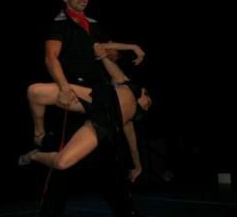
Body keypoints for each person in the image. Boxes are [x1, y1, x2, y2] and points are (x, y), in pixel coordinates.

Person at [28, 0, 151, 217]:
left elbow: (110, 53)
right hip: (73, 97)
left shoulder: (94, 26)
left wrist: (117, 53)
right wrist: (63, 87)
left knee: (110, 161)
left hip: (101, 97)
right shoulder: (59, 25)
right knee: (64, 161)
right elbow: (51, 57)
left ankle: (126, 211)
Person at [20, 47, 153, 187]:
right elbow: (101, 51)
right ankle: (39, 134)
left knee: (61, 163)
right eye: (149, 101)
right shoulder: (126, 82)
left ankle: (33, 155)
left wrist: (138, 166)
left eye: (148, 107)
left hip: (103, 123)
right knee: (34, 92)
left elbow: (133, 147)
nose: (148, 105)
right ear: (144, 91)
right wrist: (129, 47)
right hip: (94, 98)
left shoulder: (129, 120)